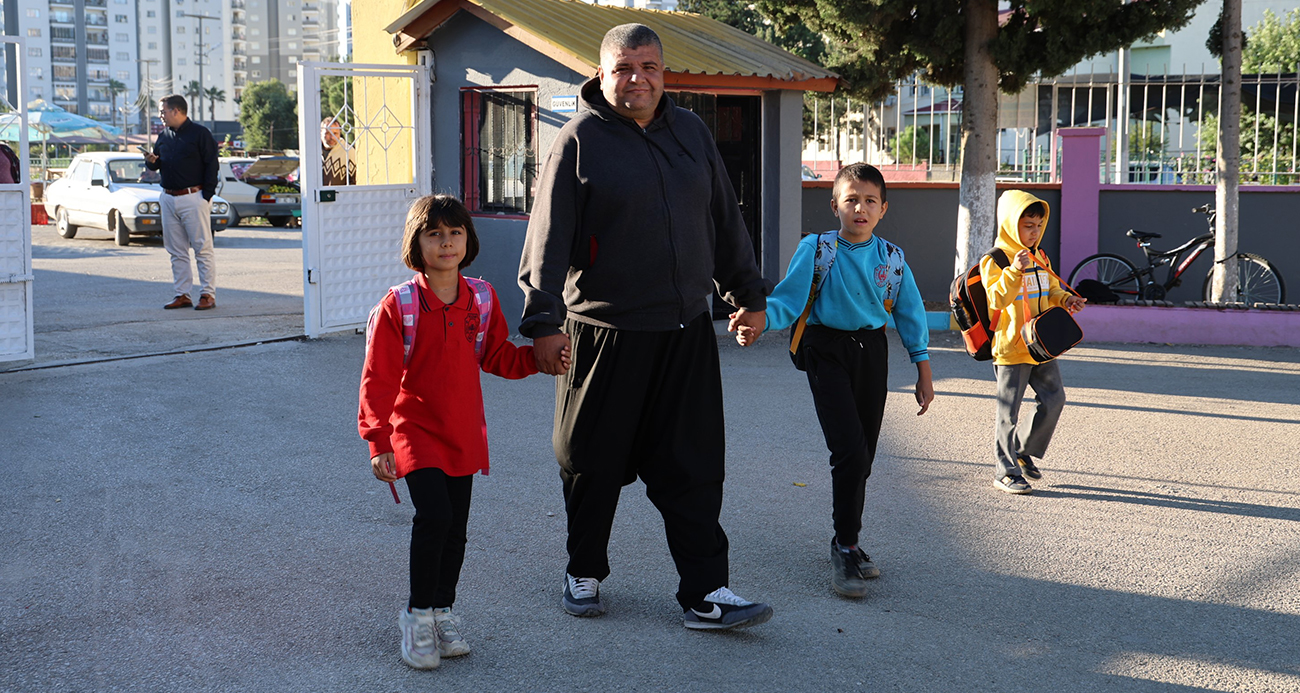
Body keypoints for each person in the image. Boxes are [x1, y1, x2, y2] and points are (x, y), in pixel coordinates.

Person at [518, 23, 775, 631]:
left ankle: (706, 592)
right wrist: (542, 320)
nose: (638, 79)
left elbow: (723, 219)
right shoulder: (579, 139)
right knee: (589, 460)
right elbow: (547, 238)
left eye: (650, 67)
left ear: (664, 72)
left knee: (694, 463)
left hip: (684, 331)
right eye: (625, 68)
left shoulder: (690, 132)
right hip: (602, 332)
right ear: (602, 74)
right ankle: (583, 569)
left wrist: (747, 294)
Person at [359, 194, 562, 670]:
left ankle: (441, 613)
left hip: (463, 430)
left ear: (468, 240)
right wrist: (377, 440)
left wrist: (538, 358)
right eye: (434, 234)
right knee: (434, 518)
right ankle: (415, 619)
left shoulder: (483, 298)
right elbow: (379, 379)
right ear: (417, 243)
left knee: (456, 530)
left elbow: (496, 356)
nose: (446, 242)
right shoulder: (399, 304)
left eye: (455, 233)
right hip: (414, 430)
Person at [731, 163, 934, 599]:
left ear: (883, 208)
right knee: (849, 450)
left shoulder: (893, 259)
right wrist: (759, 323)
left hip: (871, 352)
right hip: (826, 351)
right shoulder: (817, 248)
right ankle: (844, 548)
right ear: (835, 206)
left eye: (869, 201)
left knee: (865, 455)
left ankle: (850, 540)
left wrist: (923, 369)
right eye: (851, 199)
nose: (860, 208)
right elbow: (788, 298)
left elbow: (910, 313)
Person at [980, 190, 1087, 495]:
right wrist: (1015, 270)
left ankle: (1023, 450)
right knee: (1008, 412)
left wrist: (1066, 299)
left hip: (1040, 342)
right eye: (1028, 225)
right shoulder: (995, 259)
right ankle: (1005, 471)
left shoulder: (1040, 255)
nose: (1035, 231)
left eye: (1039, 225)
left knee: (1055, 398)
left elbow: (1051, 288)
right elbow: (998, 298)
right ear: (1012, 224)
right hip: (1012, 345)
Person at [143, 95, 219, 311]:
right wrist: (150, 162)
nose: (160, 116)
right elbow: (156, 165)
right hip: (168, 197)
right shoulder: (164, 136)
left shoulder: (200, 134)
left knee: (202, 248)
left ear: (176, 111)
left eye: (162, 111)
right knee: (176, 250)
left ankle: (207, 294)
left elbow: (212, 165)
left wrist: (206, 196)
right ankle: (182, 294)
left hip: (193, 197)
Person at [320, 117, 356, 186]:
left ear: (340, 133)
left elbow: (355, 181)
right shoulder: (313, 151)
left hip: (340, 195)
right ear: (321, 133)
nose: (332, 137)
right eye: (328, 133)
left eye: (335, 133)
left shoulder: (348, 151)